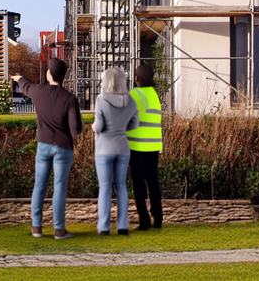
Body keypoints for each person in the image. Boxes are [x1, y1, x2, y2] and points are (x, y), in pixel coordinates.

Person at [12, 57, 83, 240]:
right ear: (63, 77)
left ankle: (37, 228)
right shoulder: (70, 99)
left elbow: (26, 85)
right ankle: (59, 230)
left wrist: (18, 77)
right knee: (59, 186)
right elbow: (76, 130)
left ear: (48, 74)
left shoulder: (38, 91)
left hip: (43, 146)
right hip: (63, 148)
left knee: (39, 186)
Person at [93, 66, 139, 236]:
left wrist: (93, 126)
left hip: (104, 148)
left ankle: (104, 227)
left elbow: (99, 126)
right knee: (121, 187)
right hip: (123, 147)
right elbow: (134, 125)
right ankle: (123, 226)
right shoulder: (131, 101)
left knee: (105, 188)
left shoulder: (101, 100)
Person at [126, 62, 163, 230]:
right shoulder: (155, 96)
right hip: (154, 146)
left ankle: (145, 221)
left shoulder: (134, 94)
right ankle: (158, 218)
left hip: (137, 147)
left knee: (139, 186)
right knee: (153, 182)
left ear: (137, 79)